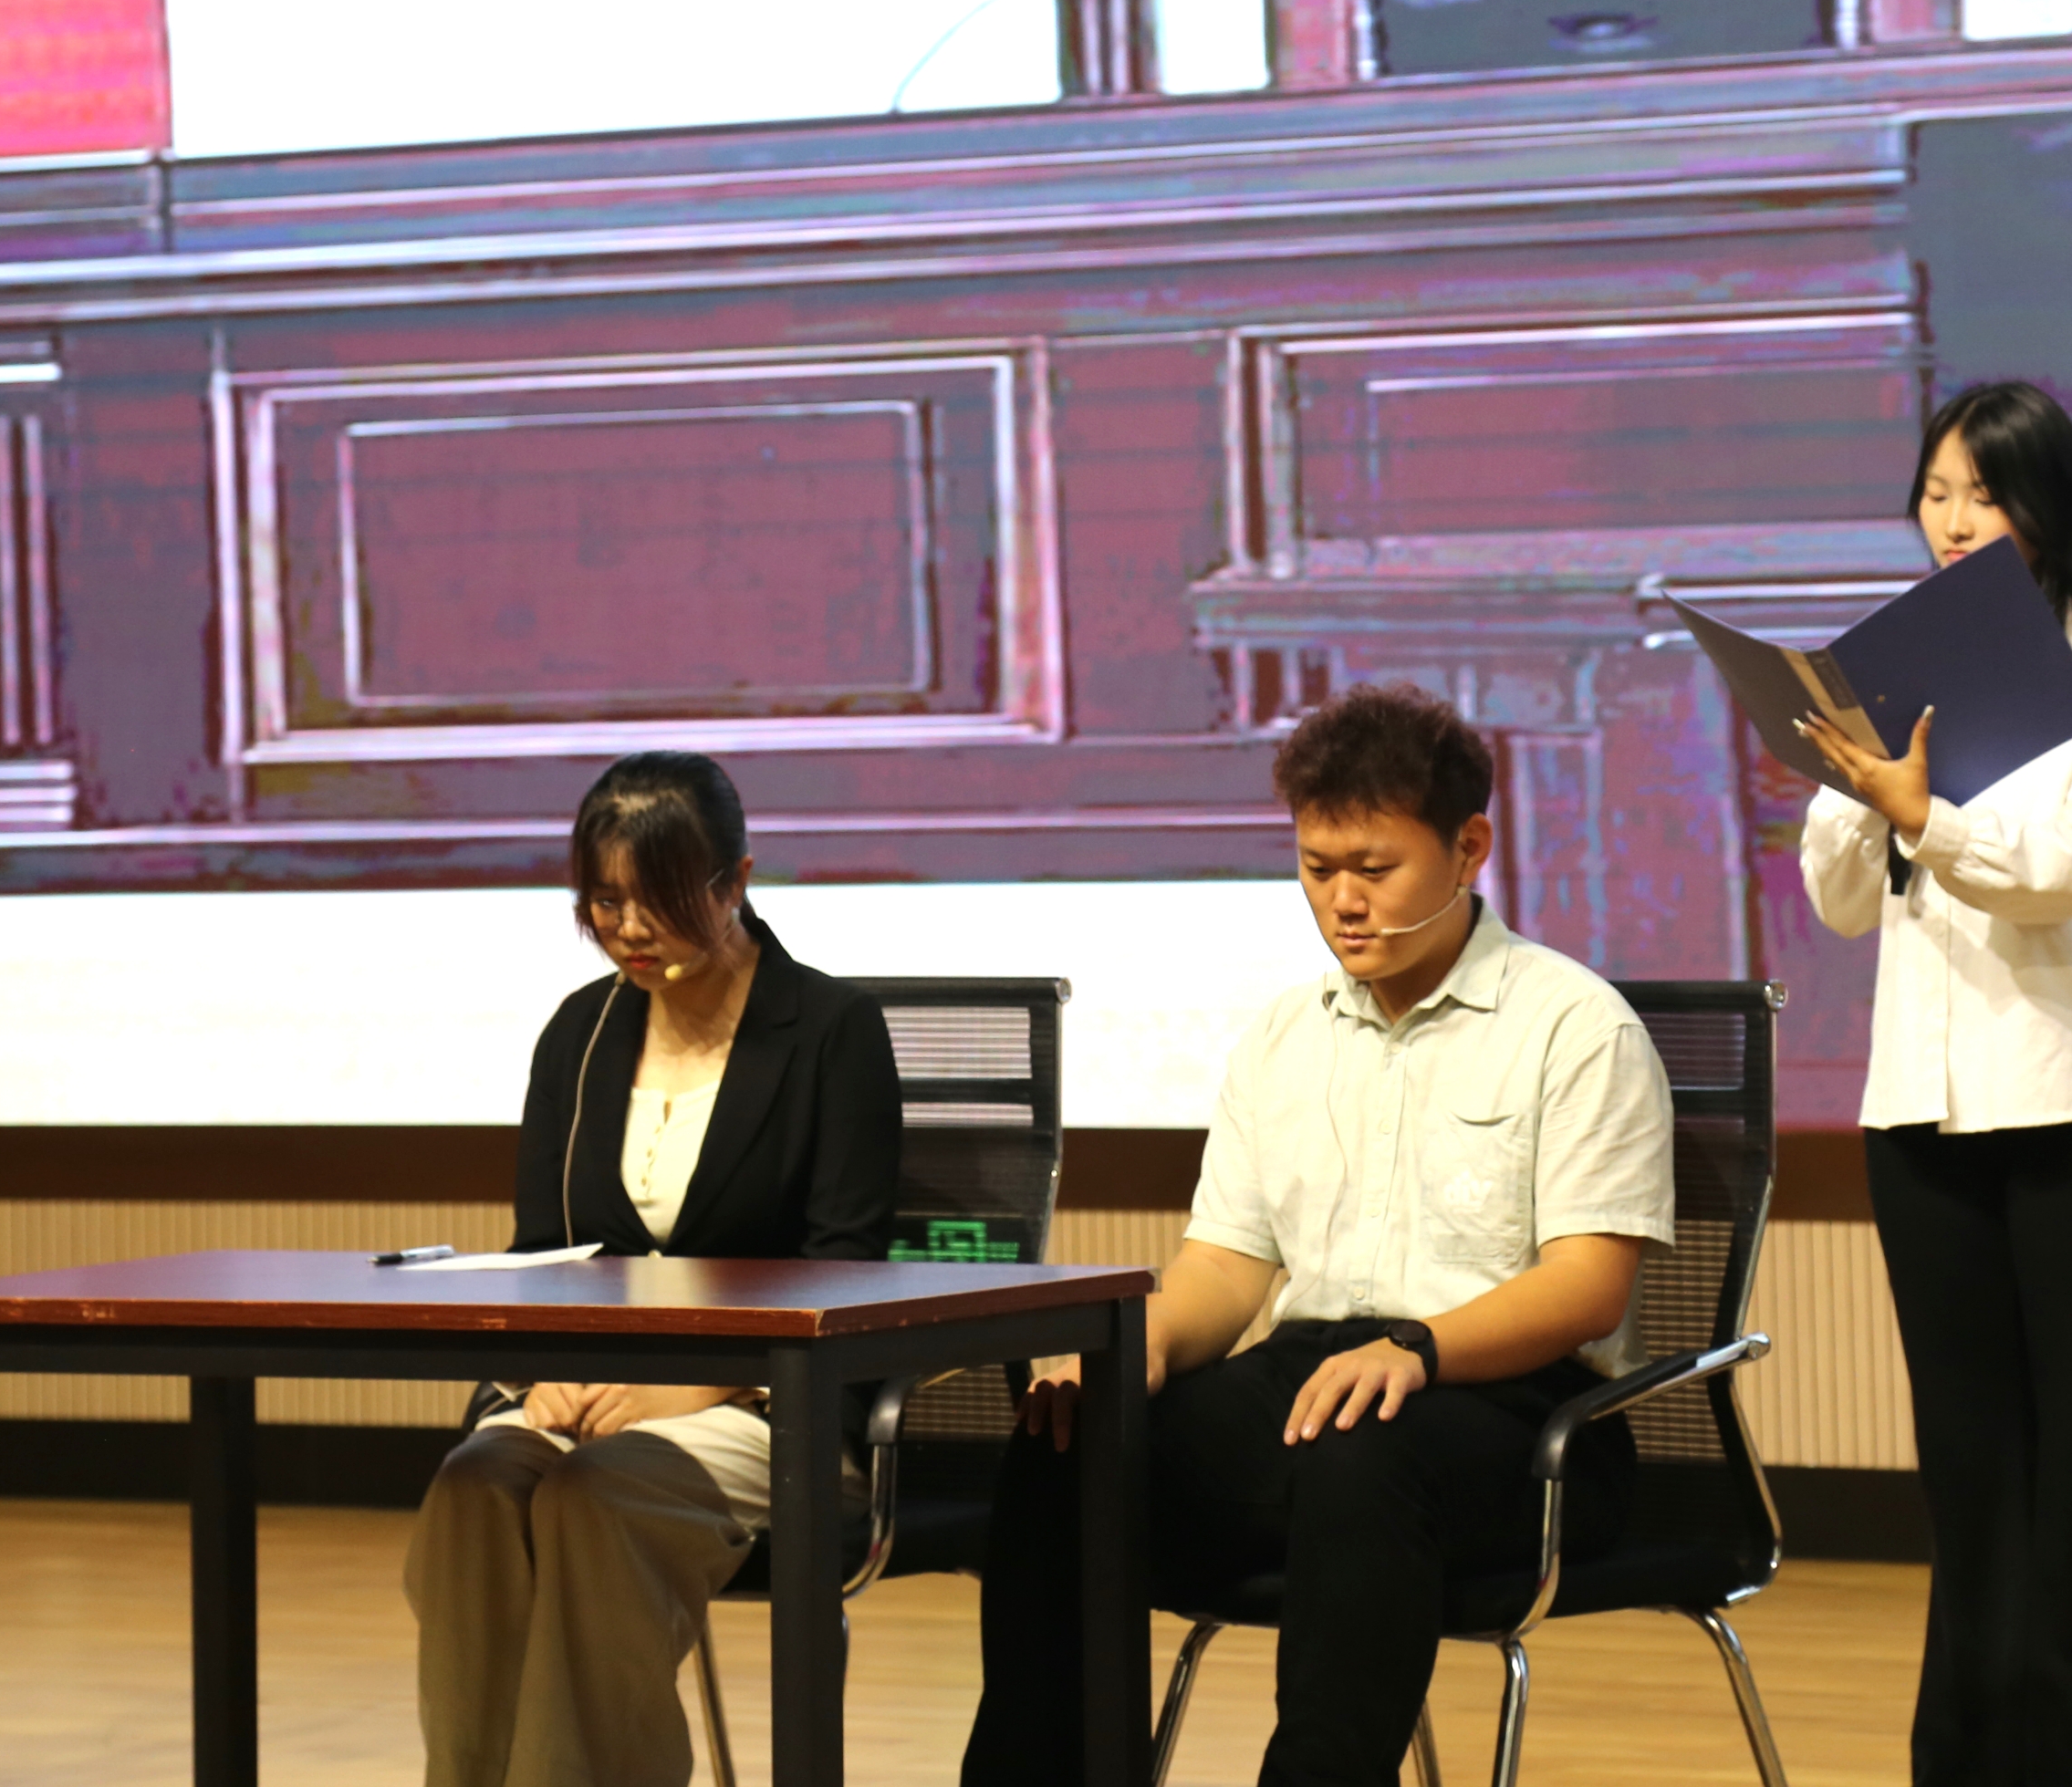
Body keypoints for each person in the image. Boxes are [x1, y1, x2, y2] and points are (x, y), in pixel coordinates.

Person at [961, 681, 1672, 1787]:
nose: (1343, 900)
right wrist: (1139, 1345)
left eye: (1374, 868)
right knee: (1071, 1444)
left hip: (1520, 1410)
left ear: (1468, 846)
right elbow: (1224, 1261)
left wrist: (1417, 1348)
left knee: (1362, 1447)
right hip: (1315, 1381)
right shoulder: (1285, 1032)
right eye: (1316, 866)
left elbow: (1585, 1287)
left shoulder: (1574, 1025)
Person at [1796, 380, 2072, 1787]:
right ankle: (1970, 1755)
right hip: (1922, 1109)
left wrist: (1931, 818)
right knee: (1967, 1462)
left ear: (2046, 505)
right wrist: (1861, 795)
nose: (1954, 521)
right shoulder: (1894, 671)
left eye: (1984, 493)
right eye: (1937, 493)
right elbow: (1841, 900)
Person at [406, 751, 901, 1787]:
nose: (629, 928)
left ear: (734, 881)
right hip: (587, 1392)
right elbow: (540, 1252)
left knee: (595, 1496)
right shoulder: (579, 1033)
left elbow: (847, 1268)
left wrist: (686, 1388)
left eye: (660, 898)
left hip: (770, 1402)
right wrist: (547, 1374)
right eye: (604, 900)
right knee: (474, 1485)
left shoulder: (831, 1030)